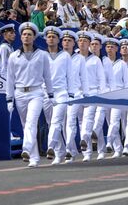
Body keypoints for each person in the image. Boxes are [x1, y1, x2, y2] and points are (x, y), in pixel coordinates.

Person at [5, 22, 54, 167]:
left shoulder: (42, 55)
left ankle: (26, 148)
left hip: (36, 92)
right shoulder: (14, 56)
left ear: (34, 38)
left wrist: (50, 95)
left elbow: (47, 76)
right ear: (21, 37)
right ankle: (34, 158)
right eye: (24, 34)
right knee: (26, 124)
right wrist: (9, 99)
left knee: (32, 122)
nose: (26, 37)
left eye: (29, 35)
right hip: (19, 93)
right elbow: (10, 79)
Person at [42, 26, 74, 165]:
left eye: (54, 37)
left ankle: (50, 146)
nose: (51, 39)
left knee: (57, 121)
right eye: (49, 36)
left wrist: (71, 94)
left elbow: (70, 76)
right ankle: (59, 152)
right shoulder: (41, 55)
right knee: (50, 123)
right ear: (45, 39)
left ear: (58, 40)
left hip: (61, 92)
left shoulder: (65, 55)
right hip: (45, 93)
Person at [77, 31, 106, 162]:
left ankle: (85, 139)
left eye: (85, 41)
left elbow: (101, 78)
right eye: (80, 41)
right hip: (78, 93)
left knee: (89, 120)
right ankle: (88, 152)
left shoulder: (95, 60)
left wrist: (103, 94)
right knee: (82, 122)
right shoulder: (74, 58)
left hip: (94, 92)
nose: (82, 43)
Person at [62, 30, 89, 163]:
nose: (66, 43)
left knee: (71, 121)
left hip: (76, 93)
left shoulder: (79, 59)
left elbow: (83, 78)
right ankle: (71, 150)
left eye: (69, 41)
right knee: (62, 123)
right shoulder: (58, 57)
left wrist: (86, 94)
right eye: (64, 40)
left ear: (74, 43)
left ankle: (68, 149)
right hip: (61, 93)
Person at [103, 37, 126, 158]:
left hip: (118, 94)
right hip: (106, 94)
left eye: (112, 47)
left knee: (115, 120)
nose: (109, 49)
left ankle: (109, 142)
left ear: (117, 49)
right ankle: (118, 148)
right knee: (109, 120)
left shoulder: (121, 64)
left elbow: (126, 82)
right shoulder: (103, 62)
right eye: (107, 47)